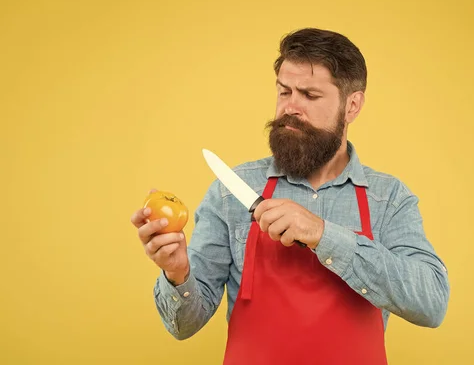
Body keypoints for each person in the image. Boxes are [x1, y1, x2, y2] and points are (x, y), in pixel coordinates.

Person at [130, 28, 450, 364]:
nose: (291, 108)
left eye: (310, 96)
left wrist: (323, 235)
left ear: (352, 105)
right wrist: (177, 272)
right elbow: (184, 325)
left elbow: (432, 303)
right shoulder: (233, 190)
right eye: (284, 92)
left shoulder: (388, 199)